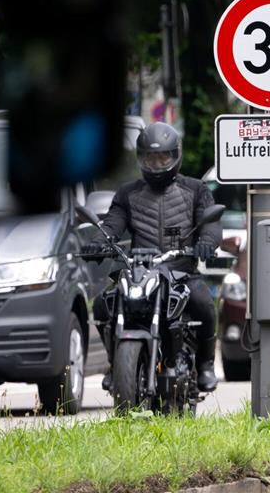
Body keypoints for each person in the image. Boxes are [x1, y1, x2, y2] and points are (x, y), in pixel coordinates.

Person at [87, 122, 221, 392]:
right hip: (140, 269)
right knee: (103, 304)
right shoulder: (127, 193)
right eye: (151, 157)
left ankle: (206, 365)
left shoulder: (196, 190)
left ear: (175, 156)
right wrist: (99, 242)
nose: (157, 163)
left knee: (203, 303)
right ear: (141, 158)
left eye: (163, 157)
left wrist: (207, 242)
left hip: (181, 270)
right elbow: (113, 223)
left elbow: (210, 224)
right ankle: (117, 364)